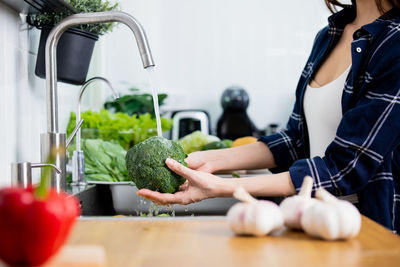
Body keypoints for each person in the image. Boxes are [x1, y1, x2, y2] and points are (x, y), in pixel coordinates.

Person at [138, 0, 400, 233]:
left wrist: (222, 187)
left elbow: (346, 167)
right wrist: (205, 160)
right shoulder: (329, 35)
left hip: (366, 227)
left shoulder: (395, 43)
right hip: (306, 220)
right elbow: (295, 141)